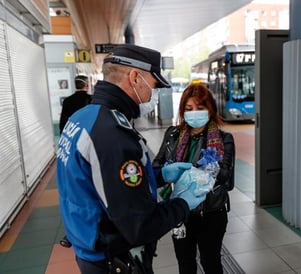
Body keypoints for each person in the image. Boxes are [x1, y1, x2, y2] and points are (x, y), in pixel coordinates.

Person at [56, 44, 207, 274]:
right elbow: (140, 226)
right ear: (136, 78)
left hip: (88, 246)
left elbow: (106, 182)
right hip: (111, 260)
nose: (153, 95)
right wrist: (183, 203)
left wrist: (160, 176)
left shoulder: (84, 117)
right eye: (154, 85)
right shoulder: (111, 134)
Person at [152, 83, 235, 274]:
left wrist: (206, 170)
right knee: (185, 262)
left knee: (211, 261)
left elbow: (225, 176)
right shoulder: (172, 135)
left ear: (210, 109)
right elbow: (156, 165)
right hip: (180, 212)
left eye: (200, 108)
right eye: (189, 109)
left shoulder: (223, 139)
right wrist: (167, 170)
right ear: (183, 111)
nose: (194, 113)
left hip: (211, 211)